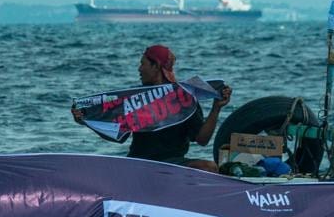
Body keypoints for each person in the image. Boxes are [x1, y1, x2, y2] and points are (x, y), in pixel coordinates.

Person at [72, 45, 232, 172]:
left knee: (210, 168)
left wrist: (216, 109)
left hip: (174, 164)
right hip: (139, 163)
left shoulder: (183, 97)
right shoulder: (135, 98)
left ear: (156, 66)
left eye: (143, 64)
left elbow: (202, 140)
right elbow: (117, 135)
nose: (139, 69)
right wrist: (87, 121)